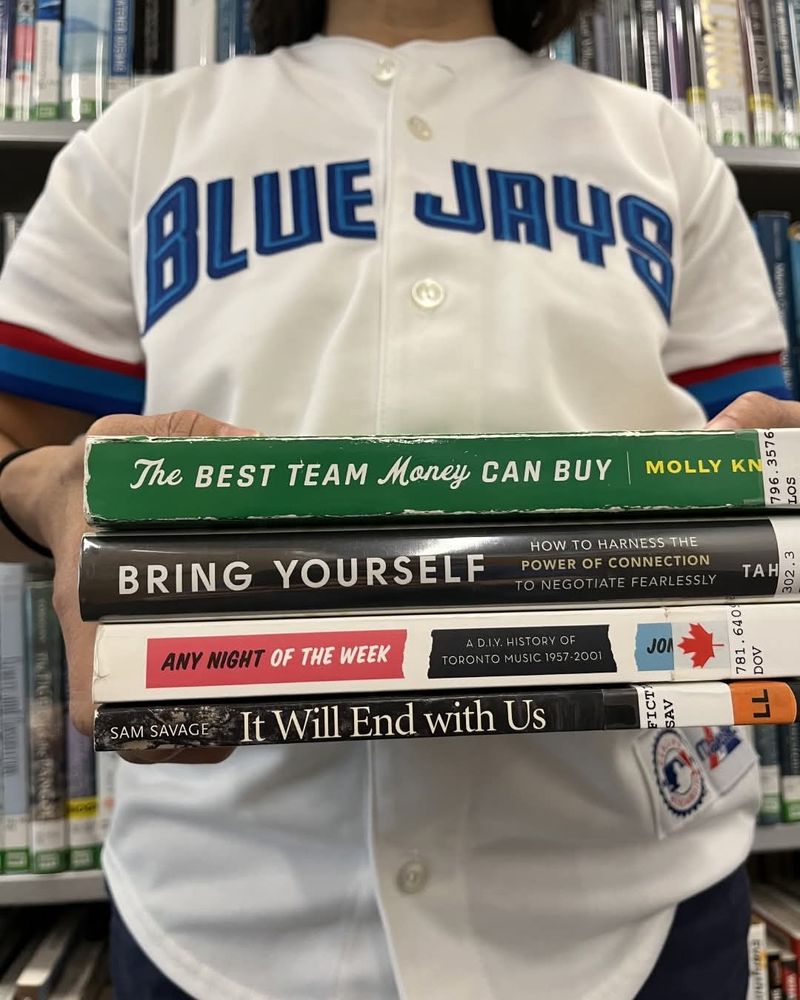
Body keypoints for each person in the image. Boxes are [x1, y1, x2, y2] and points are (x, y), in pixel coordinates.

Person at [0, 1, 795, 996]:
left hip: (637, 888)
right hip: (220, 896)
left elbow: (754, 475)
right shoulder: (143, 139)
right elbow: (19, 448)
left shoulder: (656, 144)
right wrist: (50, 489)